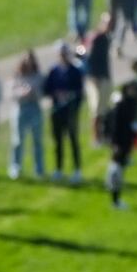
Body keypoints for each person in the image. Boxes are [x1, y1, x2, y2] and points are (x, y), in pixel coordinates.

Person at [44, 43, 86, 182]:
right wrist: (56, 95)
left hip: (71, 111)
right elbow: (47, 90)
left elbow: (80, 93)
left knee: (73, 140)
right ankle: (59, 169)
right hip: (56, 111)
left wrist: (70, 96)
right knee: (58, 142)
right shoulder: (53, 71)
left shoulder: (75, 71)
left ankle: (77, 169)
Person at [10, 52, 47, 180]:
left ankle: (39, 169)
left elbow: (43, 93)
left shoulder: (39, 76)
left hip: (34, 108)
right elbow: (11, 94)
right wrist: (21, 93)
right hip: (20, 108)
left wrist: (33, 92)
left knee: (37, 140)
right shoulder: (18, 76)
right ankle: (15, 166)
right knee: (18, 140)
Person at [107, 82, 137, 209]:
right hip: (120, 144)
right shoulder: (120, 106)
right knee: (116, 172)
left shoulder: (131, 103)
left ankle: (117, 200)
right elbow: (115, 128)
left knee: (120, 171)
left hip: (126, 144)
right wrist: (115, 145)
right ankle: (115, 201)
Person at [84, 14, 115, 144]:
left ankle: (104, 135)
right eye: (107, 23)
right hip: (96, 79)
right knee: (96, 110)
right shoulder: (96, 38)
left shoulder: (107, 38)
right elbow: (87, 58)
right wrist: (92, 77)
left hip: (105, 76)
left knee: (104, 108)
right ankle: (96, 137)